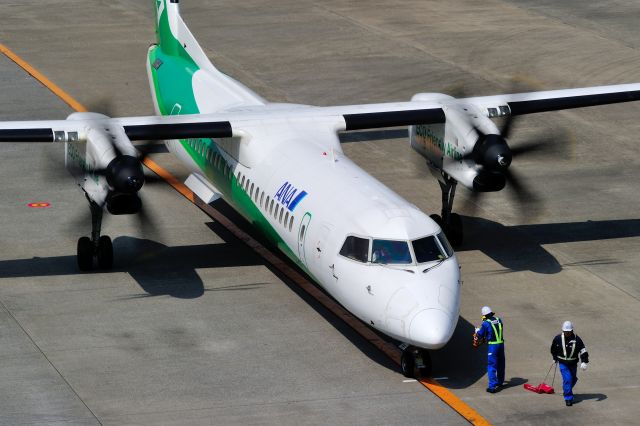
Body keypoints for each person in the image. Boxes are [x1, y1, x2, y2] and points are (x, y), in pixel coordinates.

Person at [550, 321, 589, 406]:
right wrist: (555, 358)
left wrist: (584, 361)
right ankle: (568, 398)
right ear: (563, 331)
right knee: (567, 379)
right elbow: (553, 349)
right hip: (563, 363)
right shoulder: (558, 338)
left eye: (569, 331)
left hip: (573, 363)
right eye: (565, 331)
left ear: (572, 331)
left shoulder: (577, 339)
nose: (567, 333)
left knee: (573, 379)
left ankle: (566, 390)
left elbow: (583, 350)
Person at [474, 306, 505, 393]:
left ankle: (492, 387)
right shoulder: (499, 320)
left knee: (491, 366)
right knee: (501, 364)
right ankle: (500, 382)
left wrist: (477, 331)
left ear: (484, 315)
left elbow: (480, 334)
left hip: (493, 346)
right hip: (501, 344)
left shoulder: (485, 323)